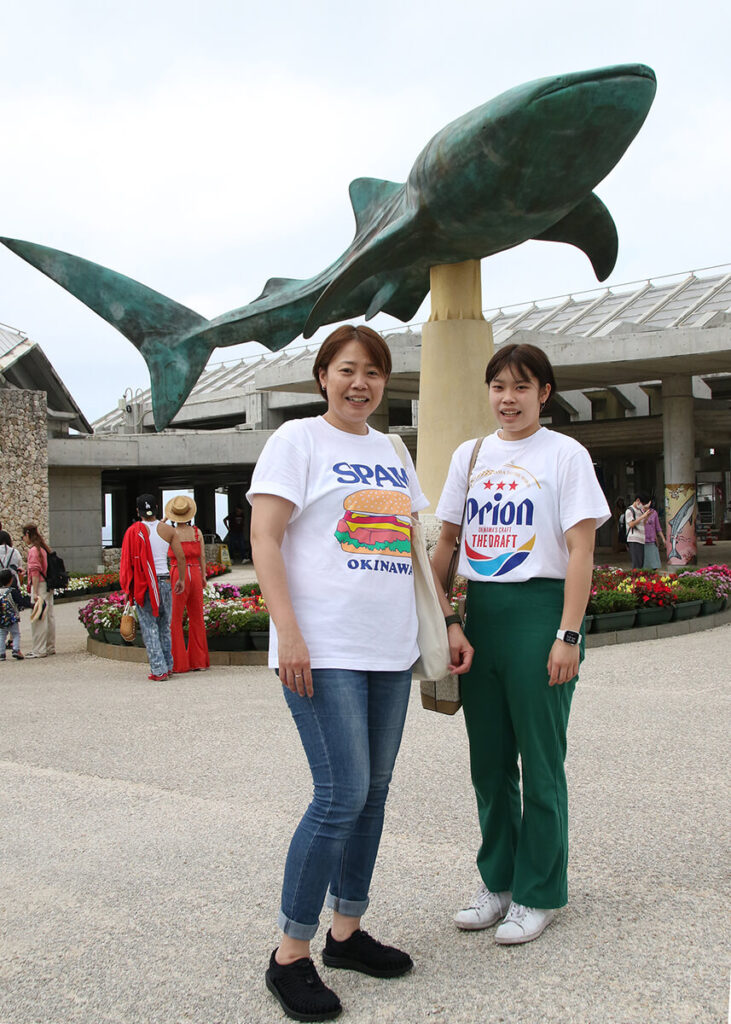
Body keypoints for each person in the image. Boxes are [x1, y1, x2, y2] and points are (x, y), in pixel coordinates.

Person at [248, 324, 472, 1022]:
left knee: (372, 793)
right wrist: (288, 632)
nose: (360, 383)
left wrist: (447, 617)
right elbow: (265, 537)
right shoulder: (297, 441)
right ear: (323, 376)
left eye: (373, 372)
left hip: (389, 648)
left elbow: (410, 548)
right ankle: (290, 953)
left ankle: (346, 932)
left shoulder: (390, 451)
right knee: (339, 794)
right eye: (347, 369)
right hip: (324, 648)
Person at [432, 342, 610, 946]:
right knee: (488, 763)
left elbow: (582, 550)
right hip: (481, 613)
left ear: (544, 393)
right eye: (498, 387)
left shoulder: (566, 454)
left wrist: (568, 634)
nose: (508, 399)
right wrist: (446, 618)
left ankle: (540, 891)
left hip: (541, 612)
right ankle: (499, 882)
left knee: (540, 759)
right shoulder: (470, 455)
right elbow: (446, 543)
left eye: (521, 387)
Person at [120, 494, 185, 681]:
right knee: (165, 626)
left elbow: (127, 563)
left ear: (137, 511)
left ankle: (158, 669)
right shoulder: (168, 530)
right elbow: (180, 557)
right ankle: (168, 665)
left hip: (144, 583)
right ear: (157, 508)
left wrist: (128, 589)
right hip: (165, 581)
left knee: (149, 626)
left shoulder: (133, 532)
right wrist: (181, 579)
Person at [164, 494, 210, 673]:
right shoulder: (197, 532)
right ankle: (199, 661)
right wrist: (204, 575)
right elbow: (202, 556)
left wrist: (164, 519)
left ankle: (179, 663)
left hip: (178, 573)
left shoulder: (171, 533)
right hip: (196, 572)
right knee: (196, 617)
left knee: (175, 618)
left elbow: (155, 534)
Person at [21, 523, 56, 659]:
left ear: (27, 534)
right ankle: (49, 646)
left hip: (39, 586)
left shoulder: (33, 550)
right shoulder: (43, 548)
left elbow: (35, 572)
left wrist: (34, 592)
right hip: (48, 585)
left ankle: (39, 649)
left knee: (38, 617)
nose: (23, 539)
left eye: (23, 536)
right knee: (49, 616)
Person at [0, 568, 23, 660]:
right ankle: (16, 650)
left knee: (2, 635)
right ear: (11, 580)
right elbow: (20, 601)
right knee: (16, 634)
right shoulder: (12, 591)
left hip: (1, 618)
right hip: (13, 618)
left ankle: (1, 653)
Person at [625, 493, 652, 569]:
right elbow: (631, 524)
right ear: (638, 500)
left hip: (641, 539)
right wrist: (643, 516)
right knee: (636, 562)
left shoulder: (640, 511)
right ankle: (635, 575)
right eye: (643, 504)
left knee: (640, 562)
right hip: (634, 539)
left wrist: (647, 516)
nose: (643, 506)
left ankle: (639, 575)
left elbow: (643, 523)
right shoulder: (629, 510)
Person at [642, 499, 667, 570]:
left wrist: (663, 539)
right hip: (642, 540)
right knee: (644, 564)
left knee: (654, 564)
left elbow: (658, 527)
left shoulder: (654, 512)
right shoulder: (639, 512)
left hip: (652, 540)